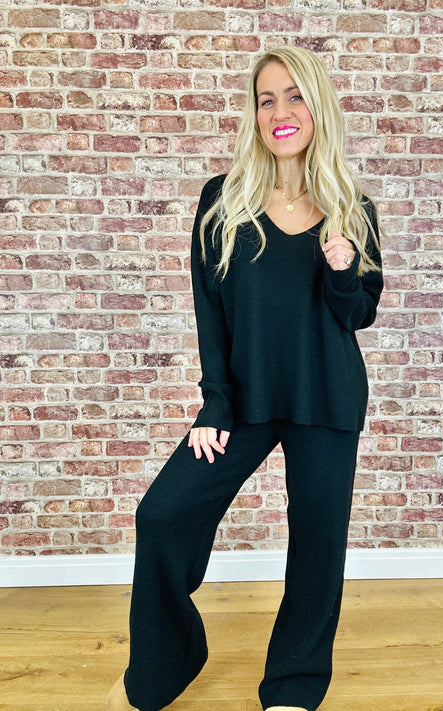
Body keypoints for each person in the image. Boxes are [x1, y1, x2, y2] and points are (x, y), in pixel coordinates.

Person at [107, 45, 383, 711]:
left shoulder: (351, 205)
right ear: (254, 114)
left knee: (317, 547)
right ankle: (164, 666)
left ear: (317, 107)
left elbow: (359, 314)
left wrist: (343, 268)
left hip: (327, 396)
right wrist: (215, 404)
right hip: (248, 397)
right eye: (267, 99)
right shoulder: (223, 201)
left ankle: (293, 686)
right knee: (163, 514)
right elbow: (211, 314)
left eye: (295, 95)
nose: (280, 110)